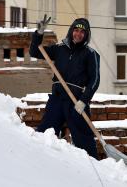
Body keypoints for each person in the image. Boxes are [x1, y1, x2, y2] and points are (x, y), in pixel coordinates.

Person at [29, 15, 100, 158]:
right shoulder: (59, 49)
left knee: (84, 140)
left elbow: (95, 80)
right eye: (76, 30)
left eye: (82, 32)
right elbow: (35, 51)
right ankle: (37, 160)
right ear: (71, 31)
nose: (78, 34)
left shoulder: (90, 54)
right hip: (58, 99)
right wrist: (39, 34)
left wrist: (83, 101)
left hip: (76, 102)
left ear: (86, 35)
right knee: (44, 133)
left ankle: (96, 166)